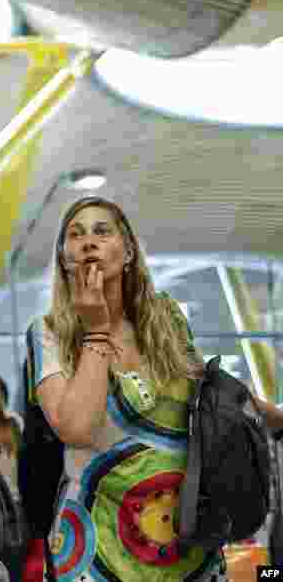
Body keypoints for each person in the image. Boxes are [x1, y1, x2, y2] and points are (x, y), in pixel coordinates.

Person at [32, 196, 283, 582]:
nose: (88, 242)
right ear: (65, 257)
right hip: (97, 555)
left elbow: (212, 397)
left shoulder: (165, 317)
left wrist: (277, 418)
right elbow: (76, 429)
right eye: (75, 235)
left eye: (102, 231)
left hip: (190, 543)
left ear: (128, 250)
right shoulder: (48, 331)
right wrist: (95, 329)